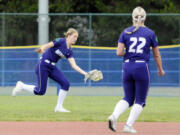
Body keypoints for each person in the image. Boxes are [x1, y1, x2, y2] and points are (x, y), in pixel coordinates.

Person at [108, 6, 165, 133]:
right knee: (140, 100)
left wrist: (130, 53)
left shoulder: (125, 32)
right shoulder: (150, 33)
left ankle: (114, 116)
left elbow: (119, 52)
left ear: (132, 17)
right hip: (141, 67)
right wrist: (160, 69)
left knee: (128, 98)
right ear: (145, 18)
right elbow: (156, 54)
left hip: (127, 66)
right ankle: (128, 126)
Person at [12, 28, 88, 113]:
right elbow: (49, 44)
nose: (76, 39)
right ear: (69, 36)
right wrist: (42, 48)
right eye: (74, 36)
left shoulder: (69, 51)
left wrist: (86, 73)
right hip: (43, 65)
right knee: (40, 91)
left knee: (65, 84)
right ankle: (22, 86)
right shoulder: (61, 41)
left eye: (77, 37)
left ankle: (58, 107)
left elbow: (74, 65)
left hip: (52, 67)